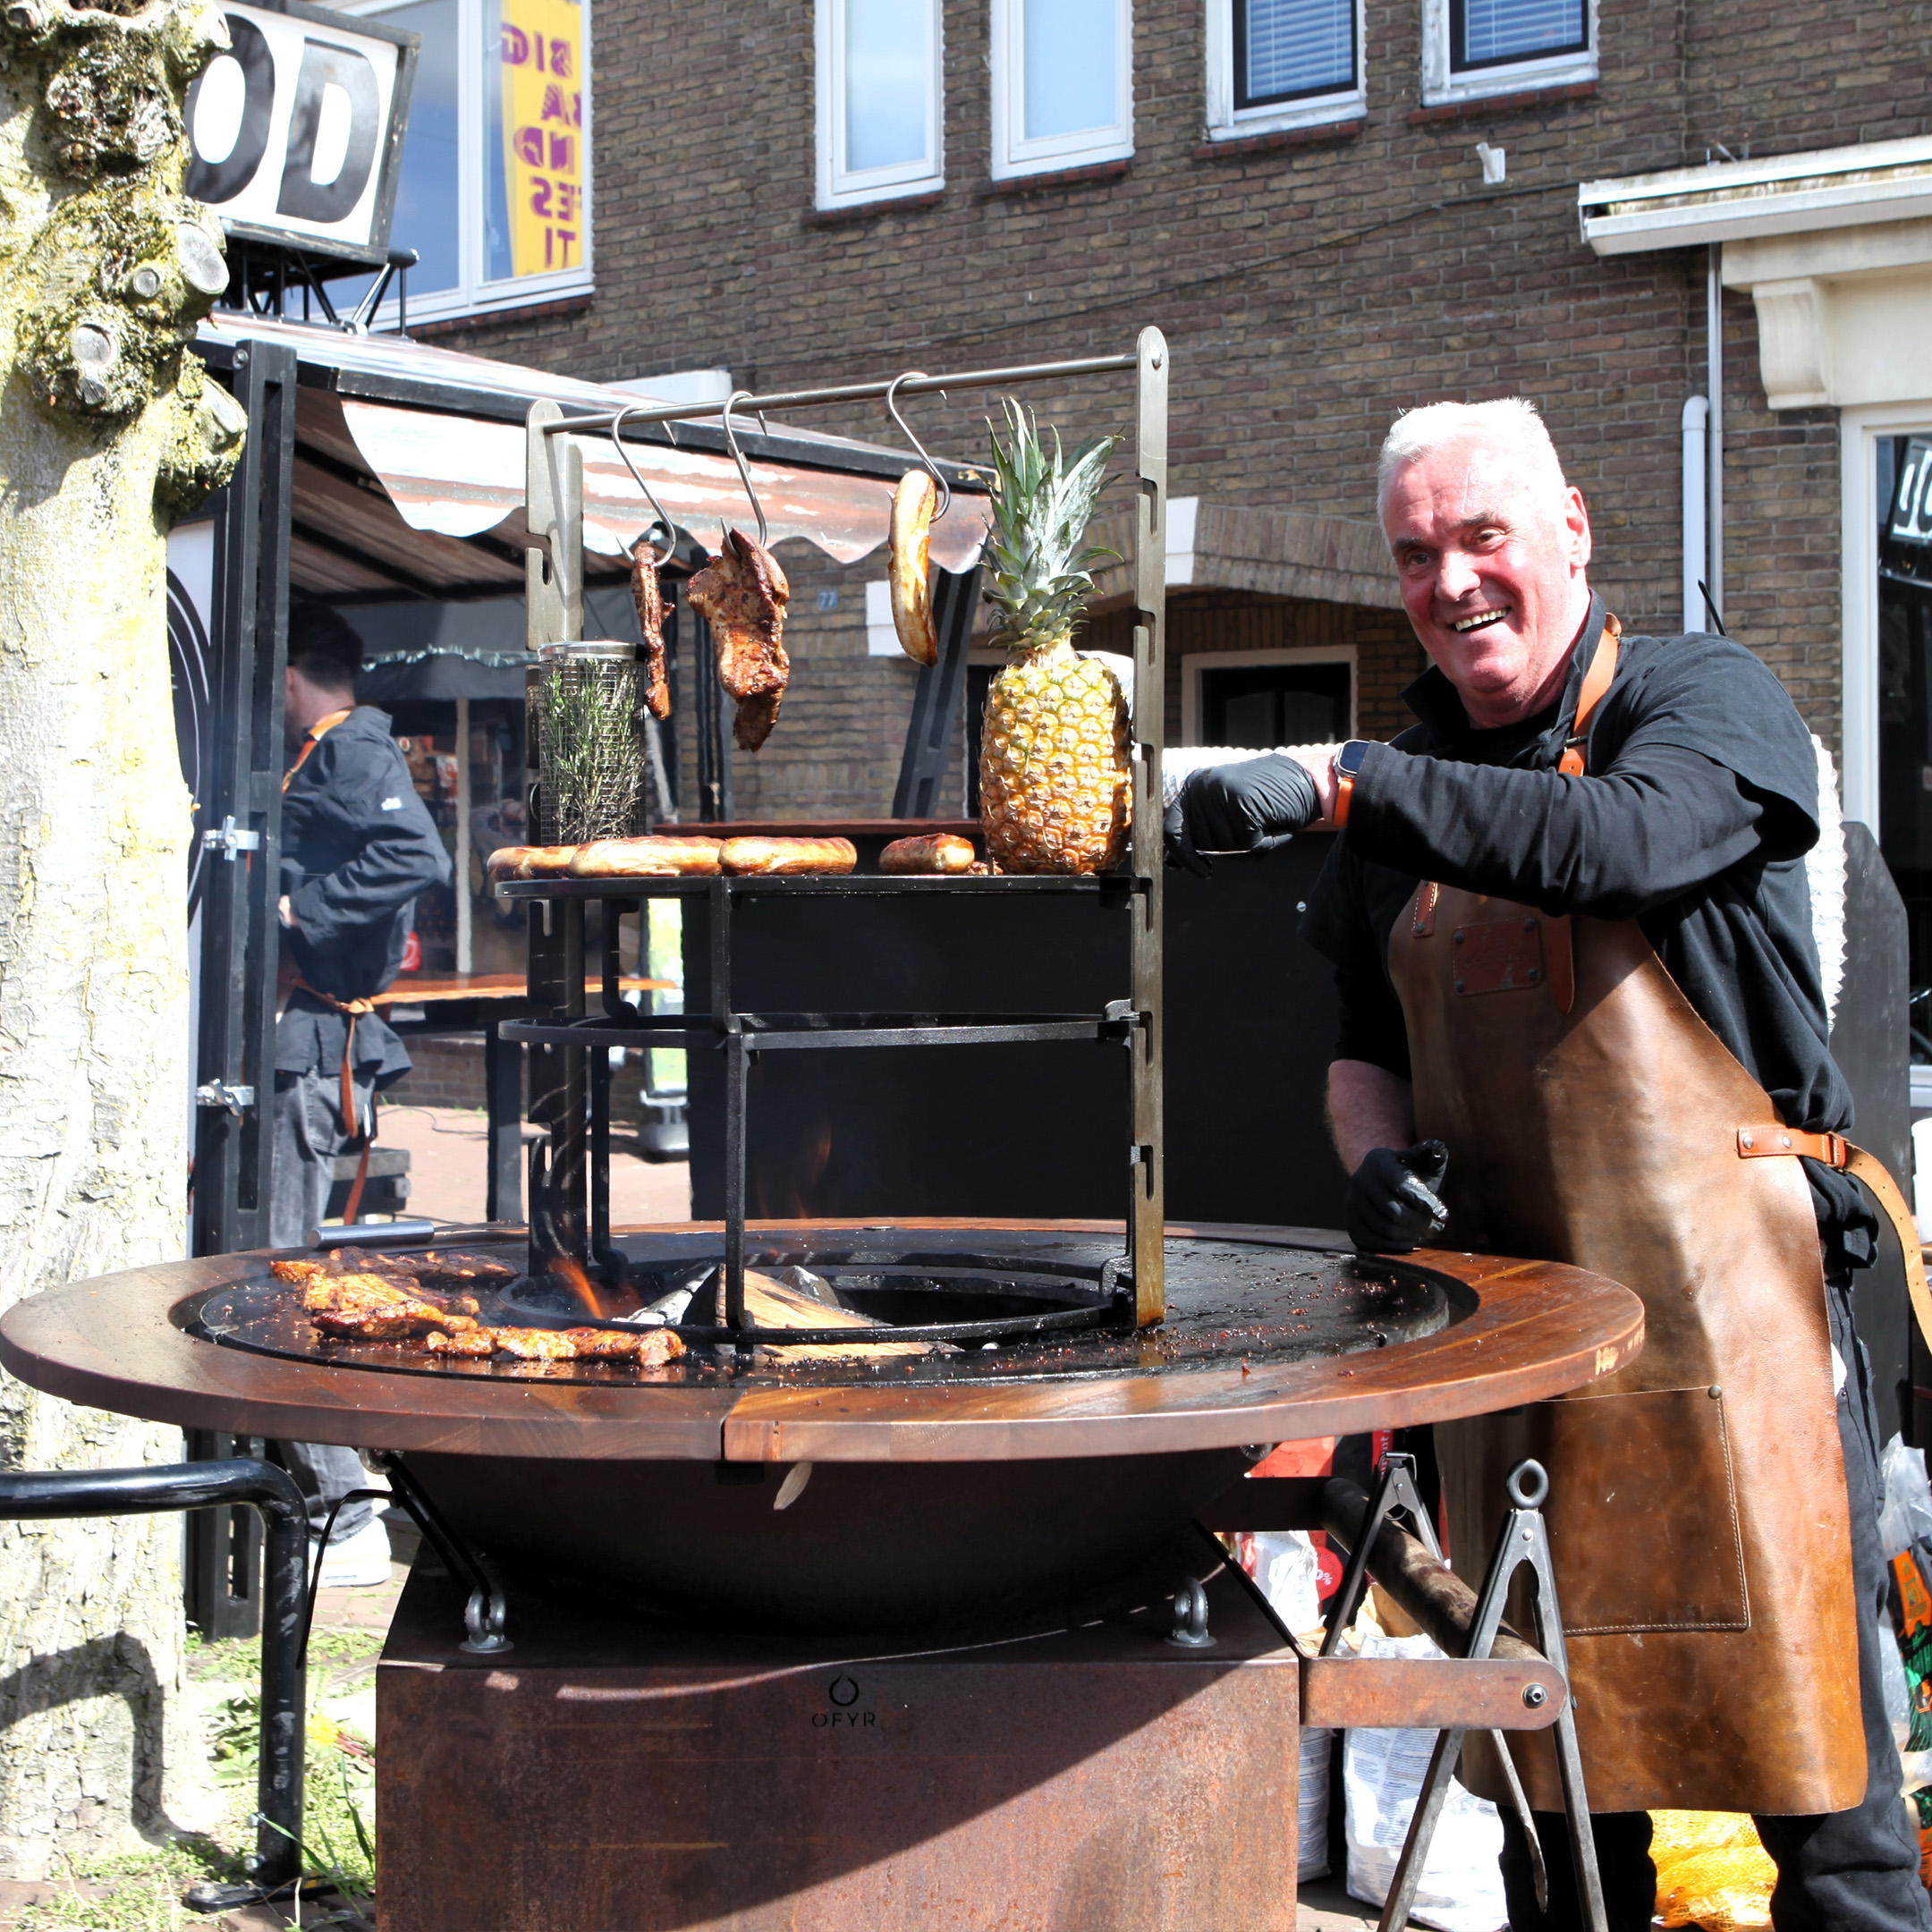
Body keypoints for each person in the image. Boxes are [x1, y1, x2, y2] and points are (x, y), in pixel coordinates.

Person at [1165, 397, 1931, 1932]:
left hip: (1742, 1339)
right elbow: (1361, 1045)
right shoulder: (1420, 772)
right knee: (1562, 1831)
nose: (1450, 582)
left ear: (1572, 529)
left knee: (1832, 1823)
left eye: (1482, 538)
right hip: (1516, 1354)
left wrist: (1342, 776)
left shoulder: (1701, 698)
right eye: (1415, 555)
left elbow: (1625, 849)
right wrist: (1373, 1164)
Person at [273, 603, 450, 1586]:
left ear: (293, 675)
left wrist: (302, 909)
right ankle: (324, 1494)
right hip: (306, 1038)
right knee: (276, 1265)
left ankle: (347, 1511)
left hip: (317, 1043)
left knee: (282, 1272)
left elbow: (416, 857)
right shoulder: (330, 750)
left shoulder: (353, 751)